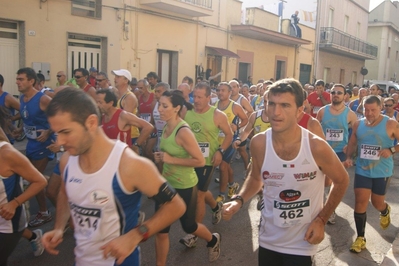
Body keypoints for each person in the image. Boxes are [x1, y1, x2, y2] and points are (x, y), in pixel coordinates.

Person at [42, 88, 185, 266]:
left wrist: (137, 234)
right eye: (57, 133)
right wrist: (58, 227)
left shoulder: (129, 164)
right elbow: (65, 191)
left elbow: (176, 205)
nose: (60, 142)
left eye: (66, 132)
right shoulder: (67, 161)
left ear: (91, 123)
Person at [223, 78, 349, 266]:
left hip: (302, 242)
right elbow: (256, 178)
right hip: (268, 238)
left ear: (300, 111)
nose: (276, 112)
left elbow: (342, 180)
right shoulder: (259, 143)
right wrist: (239, 200)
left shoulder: (315, 146)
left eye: (285, 105)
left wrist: (322, 219)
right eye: (271, 104)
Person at [153, 90, 221, 264]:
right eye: (159, 104)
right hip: (166, 185)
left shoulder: (183, 131)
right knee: (161, 229)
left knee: (189, 226)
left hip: (185, 186)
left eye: (164, 106)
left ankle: (213, 240)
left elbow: (199, 160)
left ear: (176, 108)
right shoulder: (166, 126)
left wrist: (170, 159)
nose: (159, 109)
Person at [179, 82, 233, 248]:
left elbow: (229, 135)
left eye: (200, 97)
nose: (196, 100)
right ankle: (216, 207)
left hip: (207, 161)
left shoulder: (217, 115)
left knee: (199, 195)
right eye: (194, 96)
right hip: (188, 160)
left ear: (209, 98)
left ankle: (193, 233)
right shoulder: (186, 112)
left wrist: (221, 151)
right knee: (196, 192)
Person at [344, 95, 399, 253]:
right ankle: (360, 238)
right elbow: (353, 142)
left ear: (380, 107)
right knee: (360, 202)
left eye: (373, 110)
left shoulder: (391, 123)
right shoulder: (358, 124)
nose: (369, 113)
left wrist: (391, 149)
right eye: (366, 110)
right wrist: (349, 157)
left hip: (382, 171)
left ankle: (384, 210)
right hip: (363, 170)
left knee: (376, 202)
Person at [14, 67, 55, 227]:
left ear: (31, 81)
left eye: (21, 79)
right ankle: (58, 185)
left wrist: (48, 131)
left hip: (43, 144)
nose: (17, 82)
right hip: (31, 143)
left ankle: (44, 212)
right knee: (35, 177)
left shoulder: (42, 99)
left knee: (34, 179)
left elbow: (59, 115)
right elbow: (27, 119)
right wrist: (19, 129)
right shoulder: (23, 99)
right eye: (17, 79)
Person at [316, 84, 357, 224]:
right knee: (324, 182)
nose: (336, 94)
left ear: (345, 95)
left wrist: (349, 148)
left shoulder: (350, 114)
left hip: (340, 152)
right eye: (333, 92)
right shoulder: (322, 111)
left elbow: (356, 134)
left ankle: (330, 210)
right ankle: (320, 205)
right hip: (324, 152)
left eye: (339, 92)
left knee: (335, 181)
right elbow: (314, 128)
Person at [214, 82, 248, 202]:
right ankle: (232, 184)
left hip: (230, 140)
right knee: (226, 166)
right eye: (218, 90)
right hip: (216, 140)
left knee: (223, 166)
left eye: (223, 90)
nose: (220, 92)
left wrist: (236, 126)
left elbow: (246, 119)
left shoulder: (235, 106)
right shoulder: (214, 105)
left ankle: (221, 195)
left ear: (229, 92)